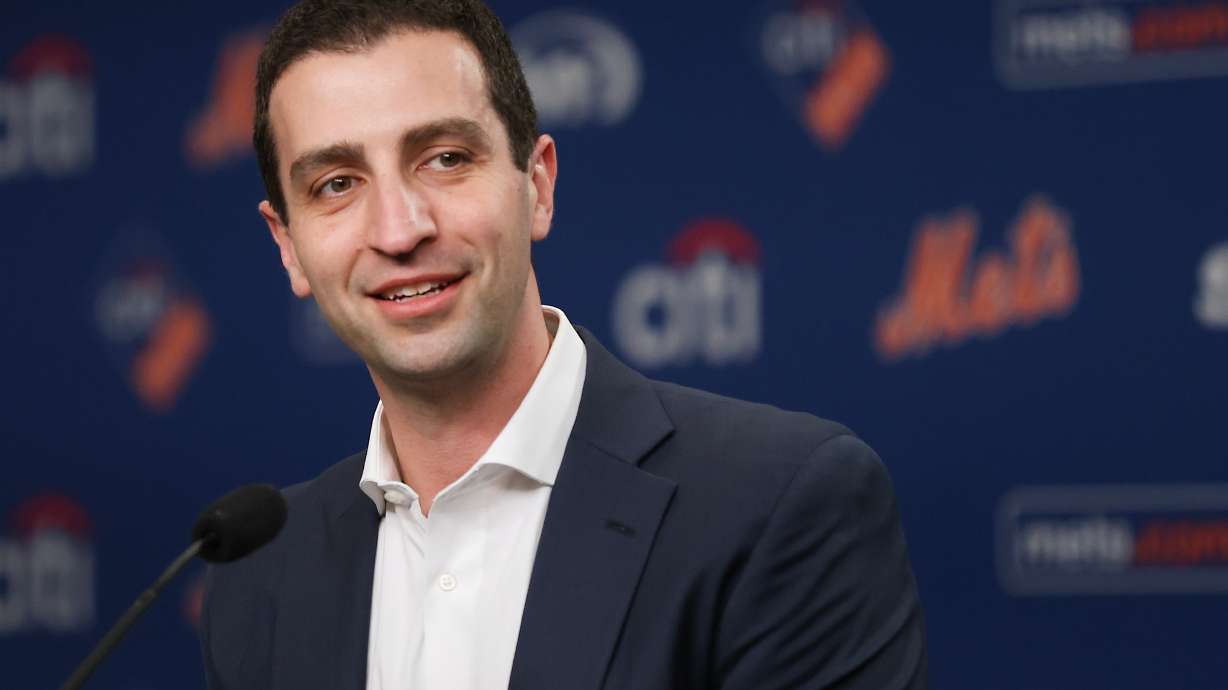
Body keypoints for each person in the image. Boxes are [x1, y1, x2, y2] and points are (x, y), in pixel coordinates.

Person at [199, 0, 928, 688]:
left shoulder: (781, 506)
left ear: (537, 184)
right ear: (289, 246)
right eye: (336, 184)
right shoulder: (258, 575)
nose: (399, 229)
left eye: (445, 158)